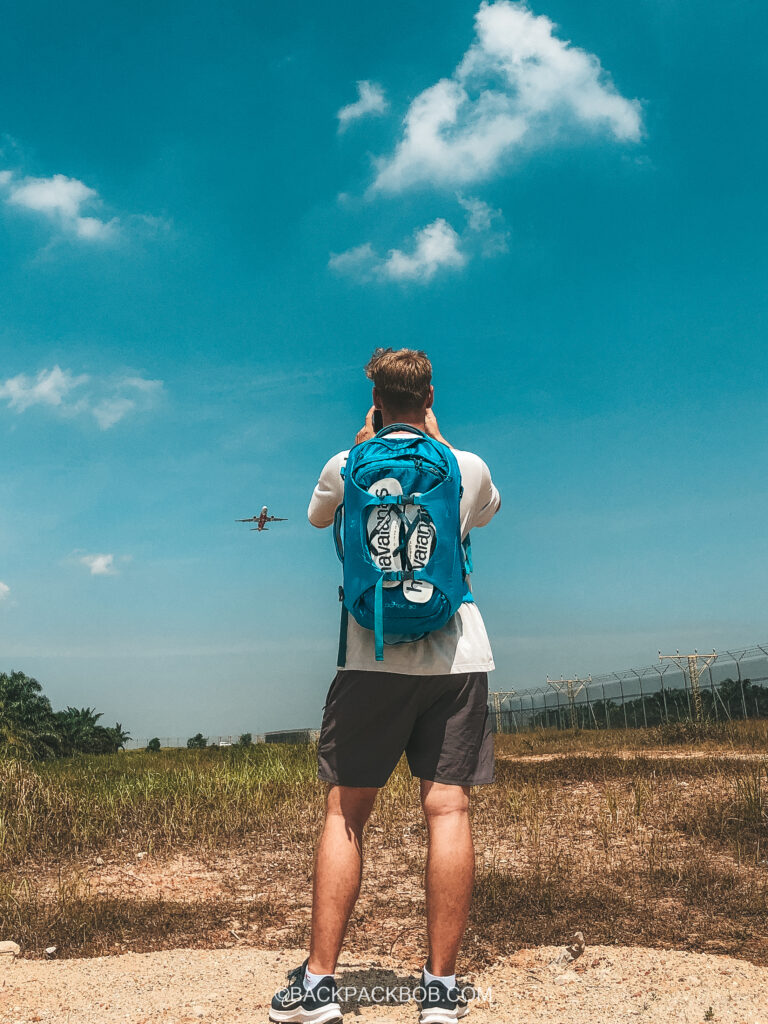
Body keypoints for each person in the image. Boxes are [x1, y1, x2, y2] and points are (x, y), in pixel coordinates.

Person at [270, 348, 501, 1024]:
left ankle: (318, 986)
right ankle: (439, 993)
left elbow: (316, 520)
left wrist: (360, 448)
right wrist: (439, 442)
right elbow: (485, 513)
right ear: (429, 395)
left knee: (347, 812)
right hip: (457, 658)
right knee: (448, 811)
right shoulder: (466, 464)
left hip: (368, 654)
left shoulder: (345, 466)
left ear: (373, 396)